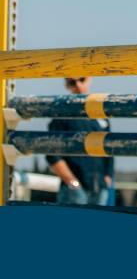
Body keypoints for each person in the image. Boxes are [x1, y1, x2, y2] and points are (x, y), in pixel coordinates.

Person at [46, 76, 114, 206]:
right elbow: (52, 153)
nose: (78, 85)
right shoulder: (62, 114)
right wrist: (72, 182)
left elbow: (109, 147)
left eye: (81, 79)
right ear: (67, 85)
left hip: (99, 187)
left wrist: (108, 176)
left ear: (89, 79)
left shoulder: (99, 112)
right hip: (75, 189)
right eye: (72, 82)